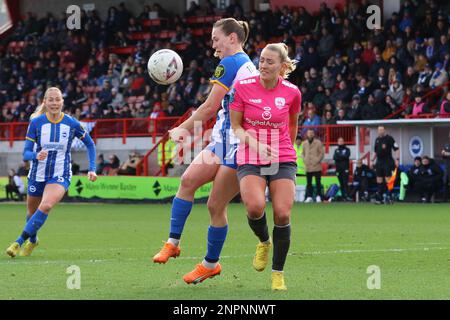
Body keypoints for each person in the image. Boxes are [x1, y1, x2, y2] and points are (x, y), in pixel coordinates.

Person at [152, 18, 258, 285]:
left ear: (232, 38)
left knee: (215, 204)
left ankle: (210, 264)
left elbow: (210, 107)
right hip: (222, 140)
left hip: (239, 146)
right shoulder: (244, 64)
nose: (213, 45)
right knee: (187, 181)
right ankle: (173, 243)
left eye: (215, 39)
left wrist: (182, 129)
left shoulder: (232, 63)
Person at [230, 43, 301, 290]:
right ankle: (263, 241)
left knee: (282, 213)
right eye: (261, 60)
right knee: (255, 206)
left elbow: (292, 124)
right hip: (251, 154)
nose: (263, 65)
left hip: (282, 156)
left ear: (282, 67)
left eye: (269, 62)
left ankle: (277, 274)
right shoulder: (242, 87)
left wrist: (285, 151)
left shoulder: (293, 92)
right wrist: (256, 144)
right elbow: (236, 127)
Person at [5, 87, 97, 258]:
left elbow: (90, 144)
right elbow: (25, 154)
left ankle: (18, 241)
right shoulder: (36, 123)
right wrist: (35, 155)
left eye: (57, 99)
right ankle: (32, 240)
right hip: (37, 174)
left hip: (60, 174)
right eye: (51, 100)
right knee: (31, 214)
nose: (54, 103)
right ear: (45, 102)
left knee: (46, 206)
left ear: (62, 102)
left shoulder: (71, 123)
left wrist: (92, 168)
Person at [371, 126, 400, 204]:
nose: (380, 131)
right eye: (379, 130)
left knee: (388, 179)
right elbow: (375, 152)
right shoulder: (377, 140)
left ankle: (390, 197)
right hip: (379, 162)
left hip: (387, 161)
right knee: (379, 179)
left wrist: (397, 159)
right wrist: (372, 160)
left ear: (384, 130)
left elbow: (397, 149)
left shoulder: (389, 138)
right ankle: (380, 198)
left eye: (382, 130)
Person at [302, 129, 324, 203]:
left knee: (318, 182)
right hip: (308, 165)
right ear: (307, 134)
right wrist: (304, 159)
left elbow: (321, 153)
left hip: (316, 165)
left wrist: (317, 160)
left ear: (314, 134)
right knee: (309, 183)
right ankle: (309, 196)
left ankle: (318, 196)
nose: (310, 134)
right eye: (309, 133)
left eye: (312, 133)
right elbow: (302, 153)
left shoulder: (318, 142)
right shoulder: (304, 143)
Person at [442, 131, 450, 201]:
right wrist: (444, 153)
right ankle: (445, 199)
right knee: (445, 182)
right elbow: (443, 153)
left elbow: (446, 153)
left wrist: (447, 153)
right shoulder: (447, 144)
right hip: (447, 166)